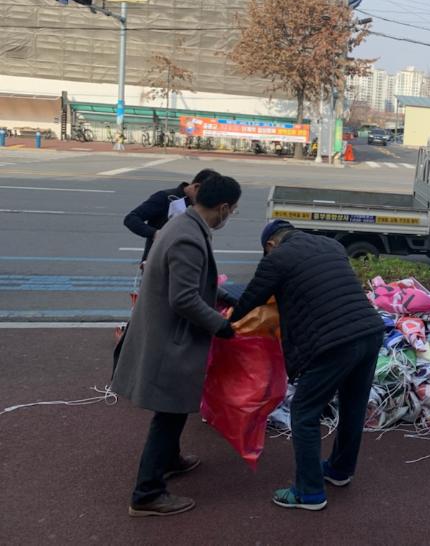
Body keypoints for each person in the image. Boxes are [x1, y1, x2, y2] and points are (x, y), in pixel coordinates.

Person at [231, 220, 384, 511]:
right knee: (353, 406)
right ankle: (339, 470)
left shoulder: (277, 258)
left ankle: (309, 492)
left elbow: (250, 300)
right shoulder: (332, 245)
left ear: (271, 245)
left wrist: (224, 325)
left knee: (304, 412)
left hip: (334, 343)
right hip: (370, 331)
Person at [112, 173, 241, 516]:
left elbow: (194, 282)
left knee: (173, 407)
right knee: (168, 414)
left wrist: (225, 296)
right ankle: (147, 493)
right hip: (171, 339)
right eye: (234, 211)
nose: (231, 216)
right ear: (224, 207)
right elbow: (184, 298)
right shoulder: (188, 237)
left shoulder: (183, 223)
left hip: (165, 333)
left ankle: (170, 460)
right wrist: (222, 326)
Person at [123, 169, 218, 262]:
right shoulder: (165, 197)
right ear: (196, 187)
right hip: (158, 262)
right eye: (205, 196)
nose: (206, 201)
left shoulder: (201, 205)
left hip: (186, 261)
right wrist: (155, 233)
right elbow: (131, 218)